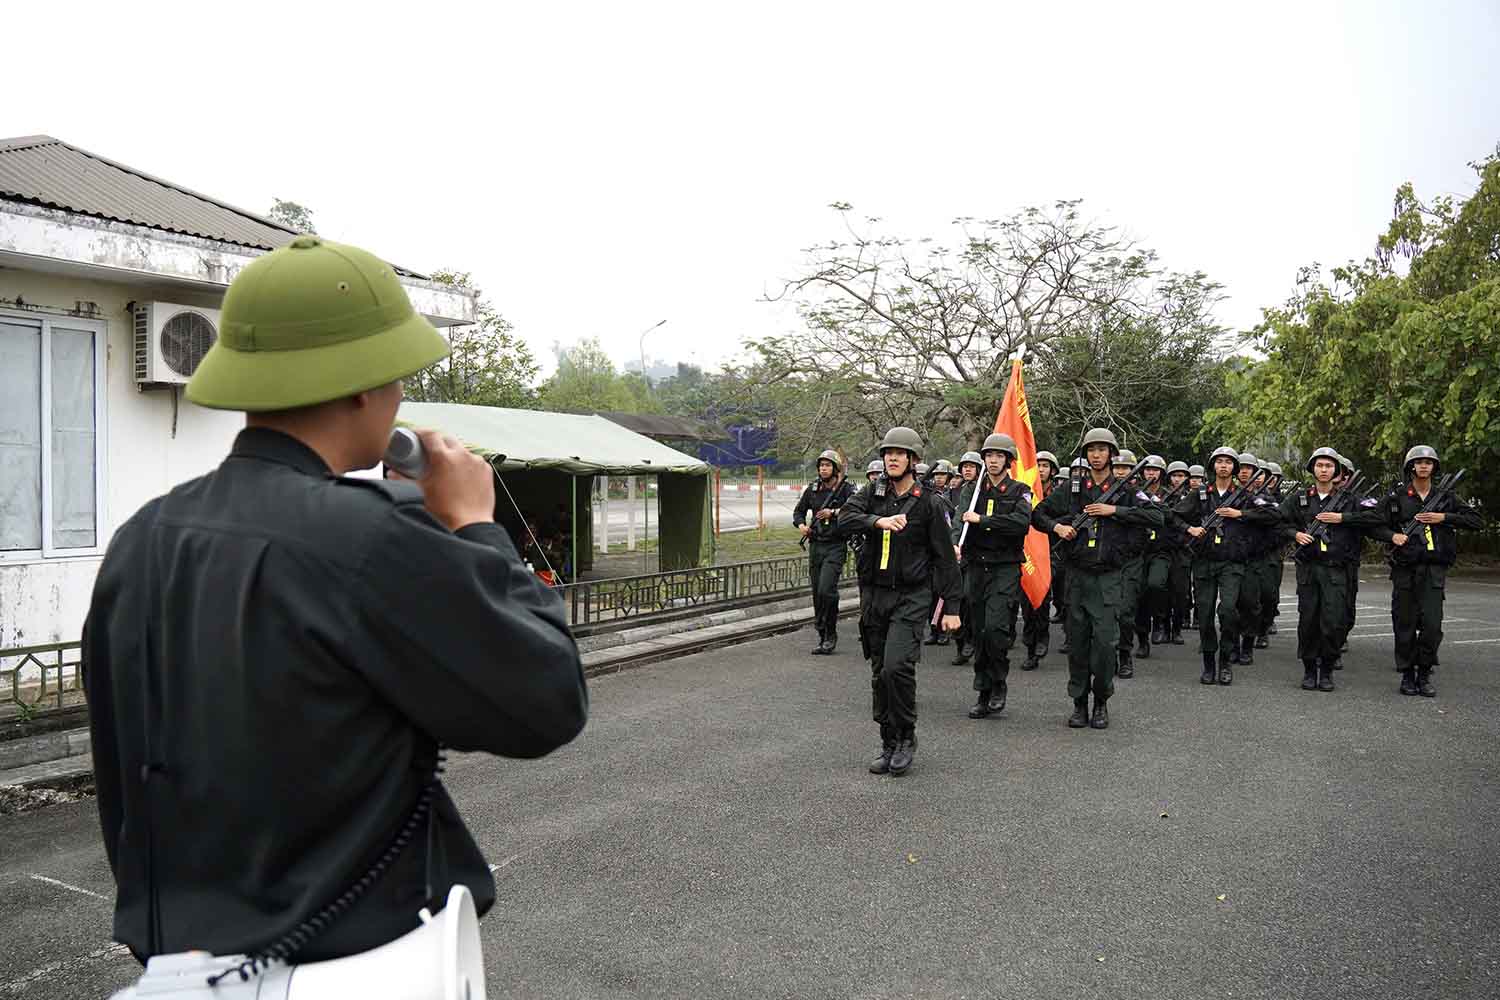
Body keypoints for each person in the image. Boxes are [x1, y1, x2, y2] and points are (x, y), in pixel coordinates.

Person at [81, 236, 588, 966]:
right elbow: (547, 701)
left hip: (180, 964)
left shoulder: (145, 535)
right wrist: (476, 525)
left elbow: (122, 764)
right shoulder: (371, 538)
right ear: (363, 383)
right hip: (352, 960)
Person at [839, 427, 962, 776]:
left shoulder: (930, 502)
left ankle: (906, 736)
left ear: (912, 459)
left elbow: (945, 559)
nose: (892, 458)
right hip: (875, 594)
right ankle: (887, 740)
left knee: (897, 667)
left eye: (899, 453)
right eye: (888, 452)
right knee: (879, 673)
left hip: (911, 595)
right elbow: (844, 519)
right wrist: (876, 520)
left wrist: (952, 608)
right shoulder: (873, 492)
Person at [1031, 428, 1162, 730]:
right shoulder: (1073, 488)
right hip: (1077, 576)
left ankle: (1101, 700)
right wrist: (1057, 529)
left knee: (1104, 645)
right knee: (1077, 644)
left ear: (1112, 454)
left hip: (1108, 577)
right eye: (1092, 449)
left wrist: (1114, 510)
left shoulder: (1127, 490)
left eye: (1103, 449)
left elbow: (1157, 517)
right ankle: (1079, 703)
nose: (1097, 454)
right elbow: (1038, 514)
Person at [1368, 446, 1484, 696]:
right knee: (1405, 623)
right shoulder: (1396, 497)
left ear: (1434, 467)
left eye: (1428, 462)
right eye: (1419, 462)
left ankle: (1424, 673)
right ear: (1410, 466)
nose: (1423, 466)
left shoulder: (1445, 497)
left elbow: (1476, 520)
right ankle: (1408, 675)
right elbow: (1372, 525)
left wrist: (1444, 518)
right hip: (1405, 570)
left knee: (1432, 625)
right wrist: (1393, 536)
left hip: (1433, 570)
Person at [1278, 447, 1383, 693]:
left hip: (1337, 570)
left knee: (1334, 621)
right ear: (1312, 469)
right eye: (1319, 465)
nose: (1324, 470)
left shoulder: (1349, 500)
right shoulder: (1300, 498)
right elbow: (1276, 522)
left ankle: (1326, 670)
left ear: (1336, 470)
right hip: (1309, 569)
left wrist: (1343, 518)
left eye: (1328, 466)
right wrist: (1295, 534)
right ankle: (1308, 670)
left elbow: (1376, 518)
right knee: (1308, 621)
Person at [1175, 447, 1280, 686]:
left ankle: (1225, 661)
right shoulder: (1201, 493)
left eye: (1228, 462)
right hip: (1204, 562)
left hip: (1232, 563)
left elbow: (1273, 514)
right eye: (1219, 462)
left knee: (1228, 611)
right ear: (1213, 466)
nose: (1223, 466)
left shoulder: (1244, 494)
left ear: (1234, 467)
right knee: (1204, 614)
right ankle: (1209, 664)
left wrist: (1240, 513)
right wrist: (1189, 529)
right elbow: (1173, 516)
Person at [951, 433, 1032, 719]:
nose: (993, 460)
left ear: (1009, 460)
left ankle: (998, 684)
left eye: (999, 456)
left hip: (1004, 567)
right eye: (989, 456)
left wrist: (984, 521)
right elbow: (959, 519)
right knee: (979, 631)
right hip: (976, 566)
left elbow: (1021, 523)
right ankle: (982, 690)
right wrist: (954, 543)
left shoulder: (1019, 490)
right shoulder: (972, 491)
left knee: (996, 630)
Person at [793, 449, 856, 655]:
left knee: (827, 590)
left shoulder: (846, 489)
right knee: (817, 593)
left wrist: (834, 512)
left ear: (835, 468)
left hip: (835, 545)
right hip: (816, 545)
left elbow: (856, 510)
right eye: (821, 465)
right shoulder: (813, 489)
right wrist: (801, 525)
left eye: (827, 465)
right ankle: (822, 632)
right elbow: (799, 511)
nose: (823, 469)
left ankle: (831, 633)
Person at [1019, 449, 1060, 670]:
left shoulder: (1059, 493)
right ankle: (1030, 647)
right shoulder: (1023, 491)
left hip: (1052, 551)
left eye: (1045, 466)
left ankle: (1041, 637)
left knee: (1042, 599)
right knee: (1026, 602)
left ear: (1052, 470)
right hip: (1025, 552)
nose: (1041, 470)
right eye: (1038, 466)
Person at [1109, 449, 1148, 677]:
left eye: (1125, 468)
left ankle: (1125, 655)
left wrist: (1119, 511)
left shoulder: (1138, 495)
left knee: (1125, 612)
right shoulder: (1102, 492)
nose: (1121, 472)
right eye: (1117, 468)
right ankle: (1109, 655)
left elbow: (1157, 516)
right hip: (1107, 559)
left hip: (1131, 559)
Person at [950, 450, 984, 667]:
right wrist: (954, 542)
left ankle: (972, 639)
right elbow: (958, 518)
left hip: (980, 553)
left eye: (972, 466)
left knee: (971, 598)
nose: (967, 469)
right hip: (962, 551)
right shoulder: (964, 491)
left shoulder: (984, 490)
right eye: (965, 466)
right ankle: (961, 642)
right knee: (958, 598)